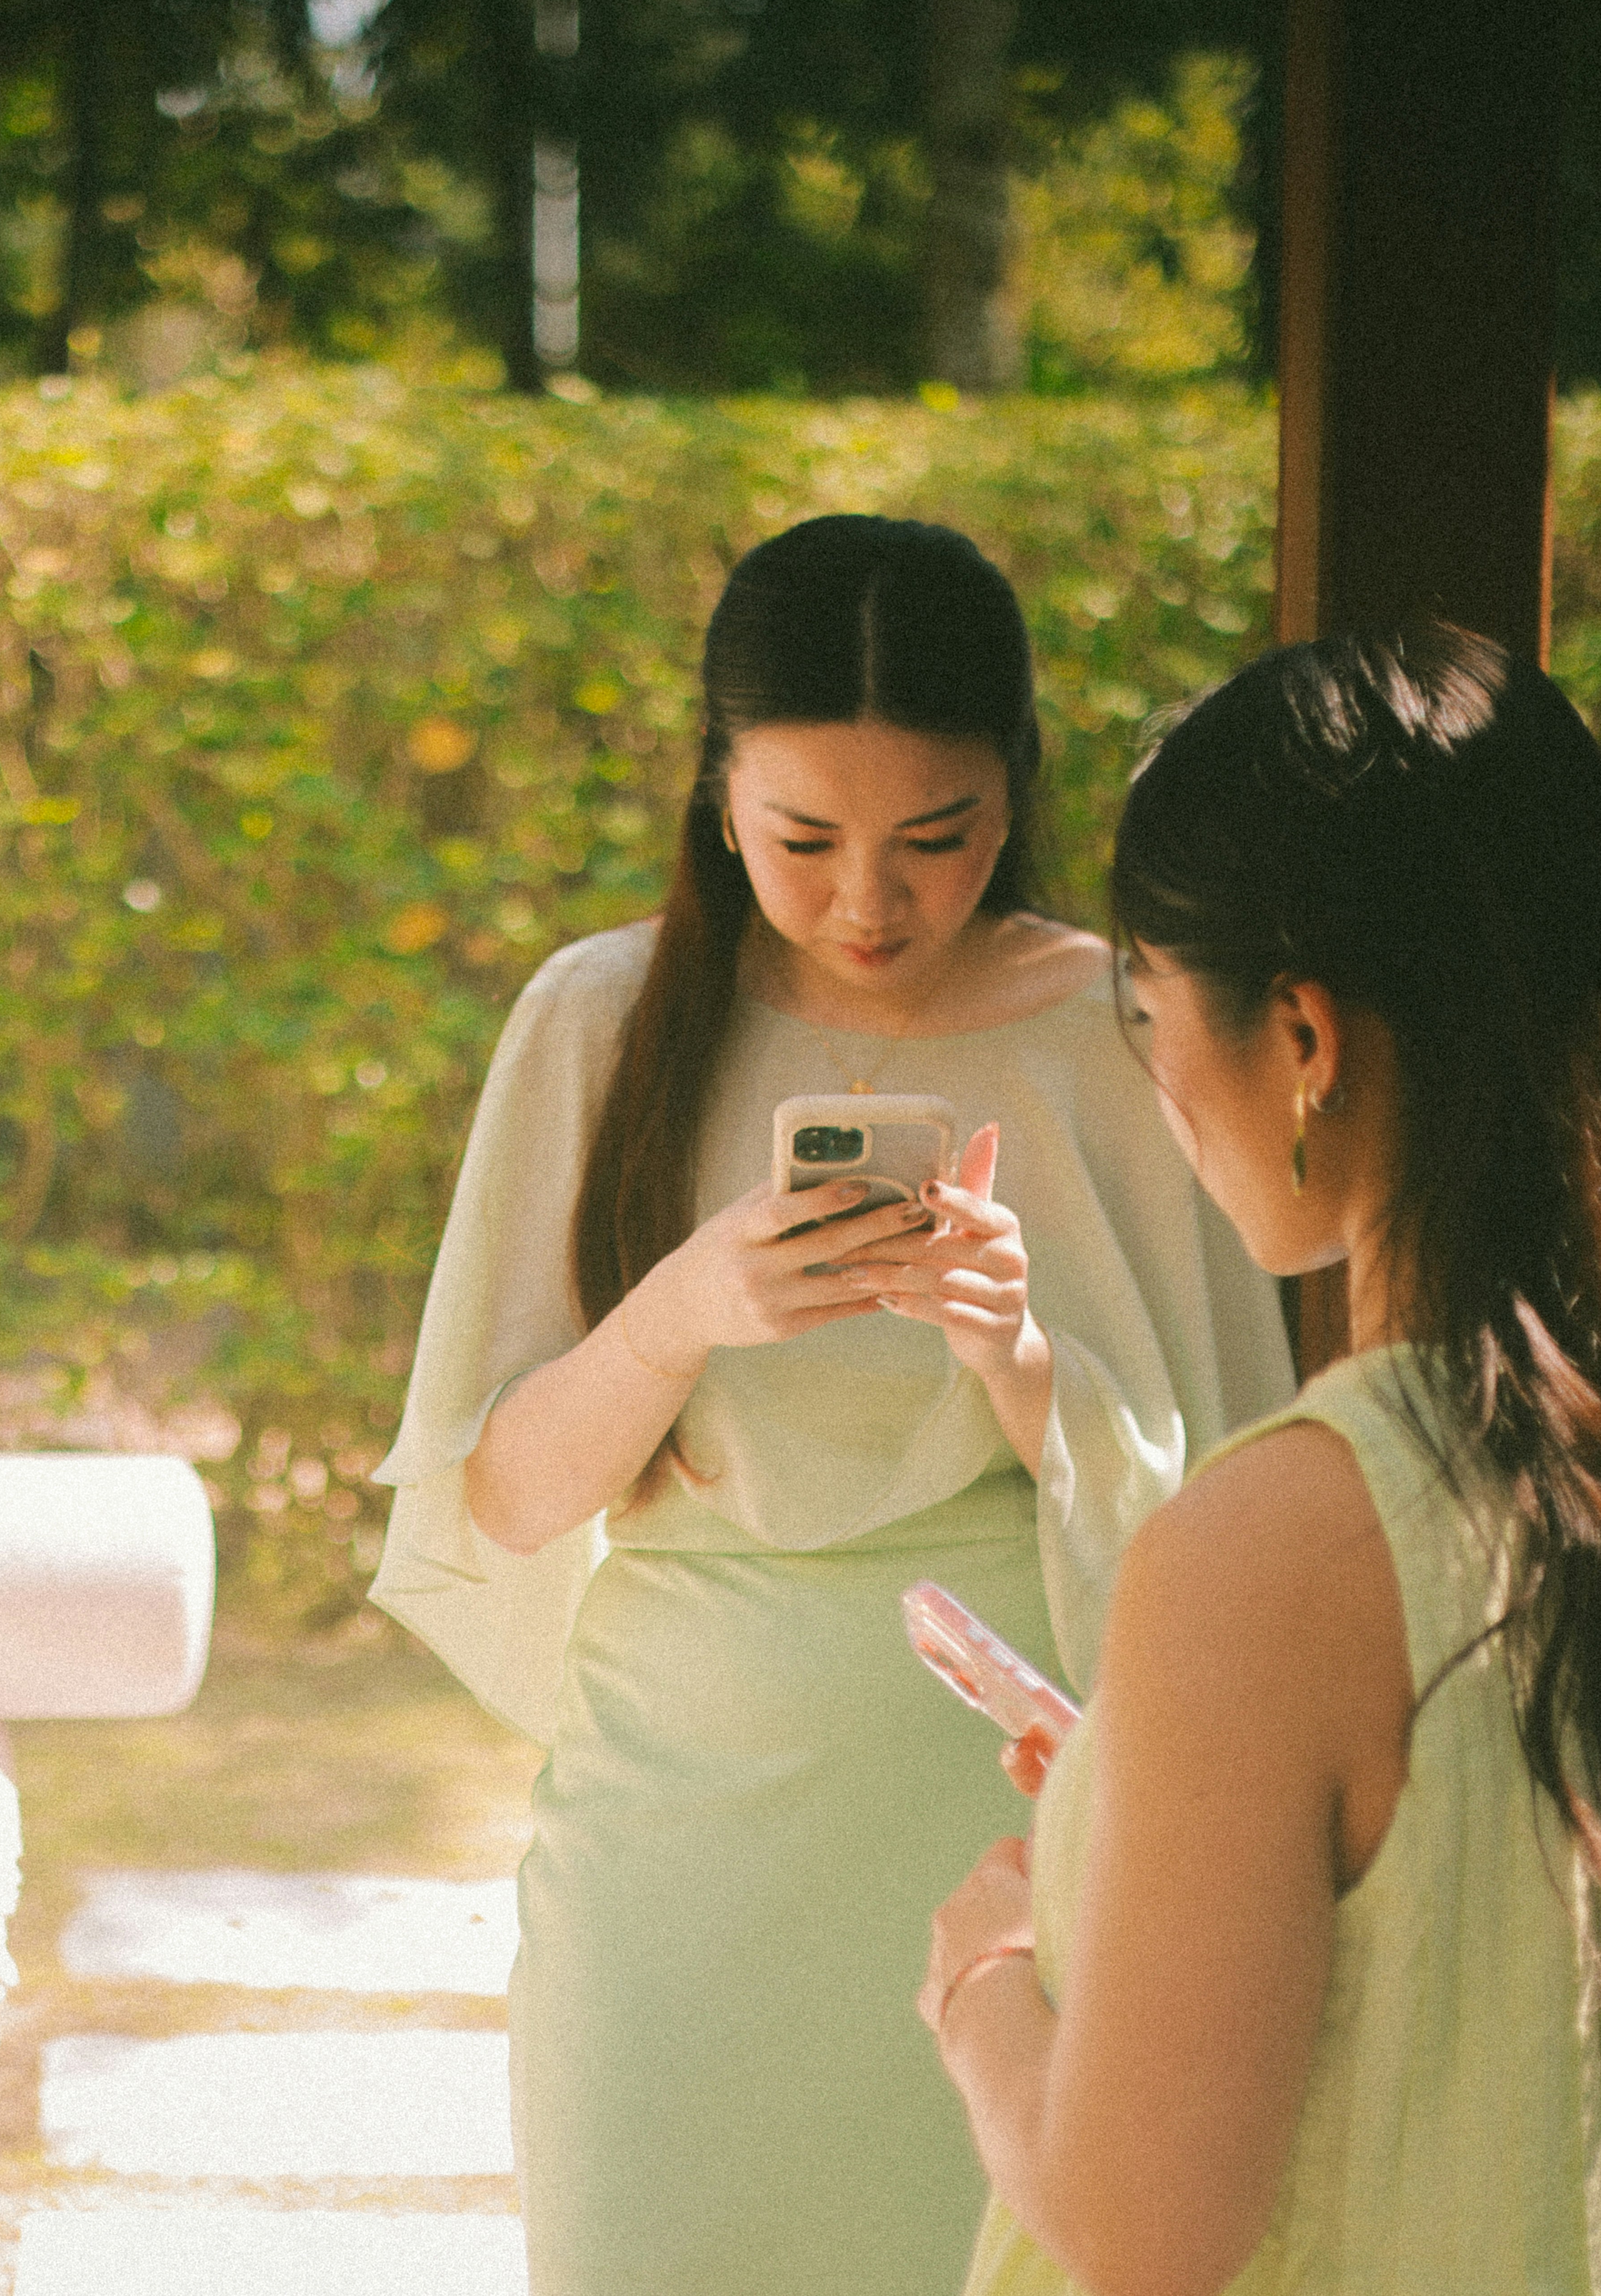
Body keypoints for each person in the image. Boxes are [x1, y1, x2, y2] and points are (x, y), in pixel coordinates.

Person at [923, 625, 1601, 2296]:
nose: (1161, 1083)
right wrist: (1146, 1793)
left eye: (1153, 1013)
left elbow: (1136, 2233)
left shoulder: (1275, 1545)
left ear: (1303, 1038)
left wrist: (983, 1983)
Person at [372, 515, 1294, 2296]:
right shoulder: (599, 1016)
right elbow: (495, 1496)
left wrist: (1019, 1357)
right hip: (674, 1848)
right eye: (804, 840)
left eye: (933, 840)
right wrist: (683, 1311)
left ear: (1014, 796)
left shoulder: (1126, 1027)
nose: (869, 903)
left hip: (1011, 1843)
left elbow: (1236, 1508)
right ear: (719, 797)